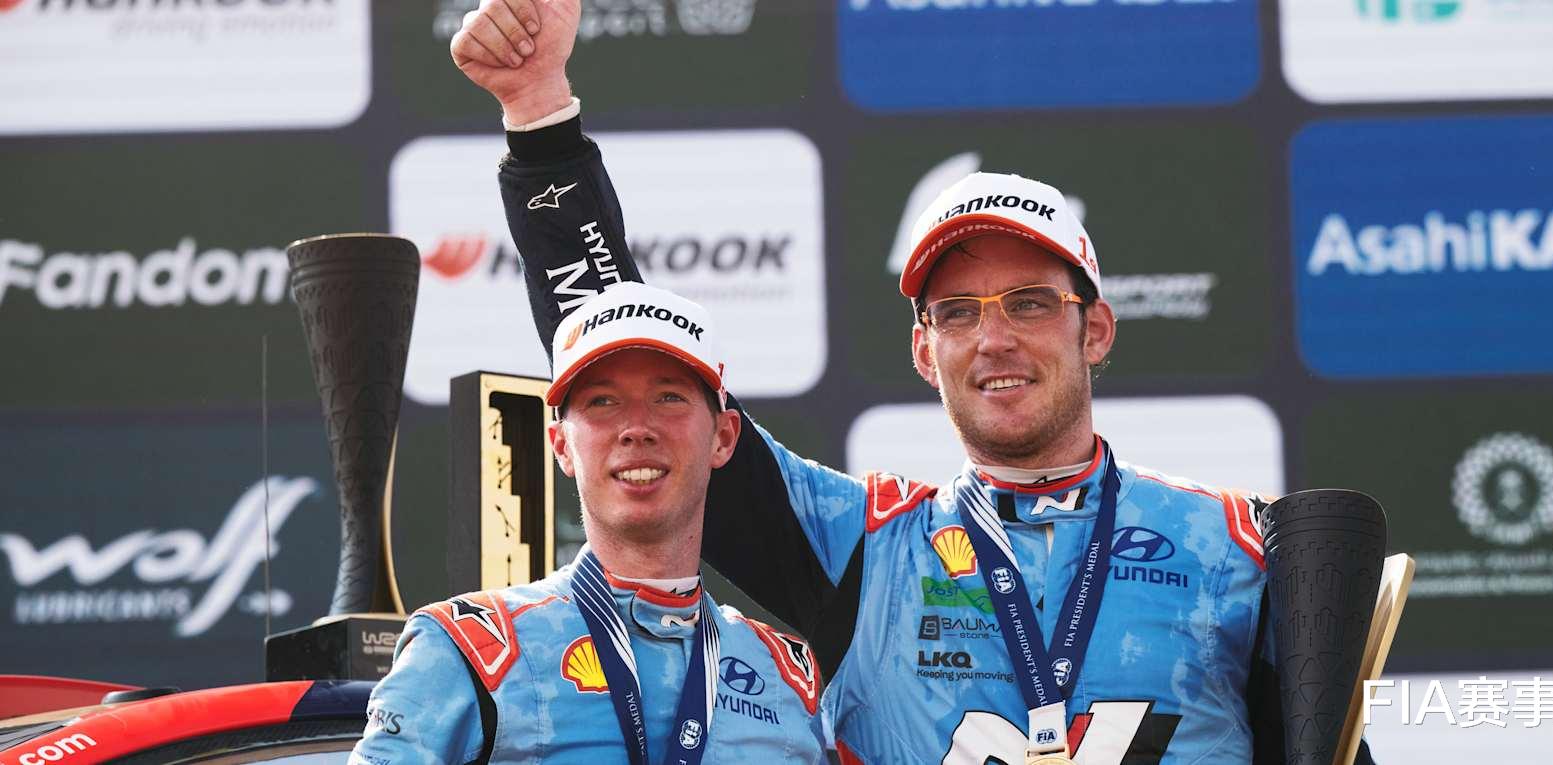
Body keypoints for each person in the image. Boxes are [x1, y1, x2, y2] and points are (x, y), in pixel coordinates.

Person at [458, 2, 1375, 762]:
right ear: (924, 352)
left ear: (1094, 328)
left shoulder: (1238, 548)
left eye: (1029, 302)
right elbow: (621, 341)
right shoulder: (856, 545)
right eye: (959, 312)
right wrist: (541, 121)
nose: (994, 338)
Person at [351, 282, 829, 764]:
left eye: (668, 397)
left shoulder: (787, 677)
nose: (637, 428)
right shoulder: (468, 650)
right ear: (561, 445)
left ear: (723, 437)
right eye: (602, 401)